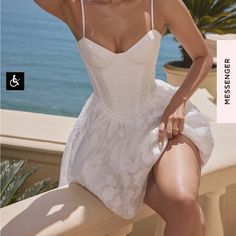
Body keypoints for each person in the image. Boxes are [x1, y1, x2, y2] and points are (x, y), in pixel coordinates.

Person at [34, 0, 215, 235]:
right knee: (190, 218)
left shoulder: (159, 3)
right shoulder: (74, 7)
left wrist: (178, 103)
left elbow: (202, 57)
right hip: (108, 140)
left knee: (183, 202)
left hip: (160, 118)